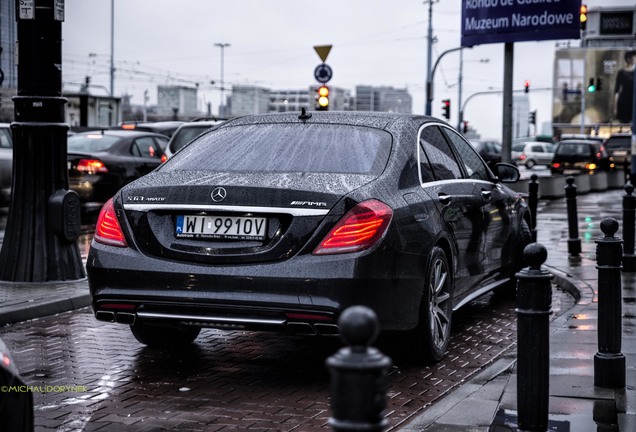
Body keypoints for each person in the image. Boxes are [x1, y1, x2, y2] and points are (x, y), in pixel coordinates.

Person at [614, 49, 636, 124]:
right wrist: (615, 108)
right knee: (624, 124)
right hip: (624, 102)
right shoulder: (621, 72)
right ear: (628, 59)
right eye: (634, 57)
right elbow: (616, 91)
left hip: (633, 100)